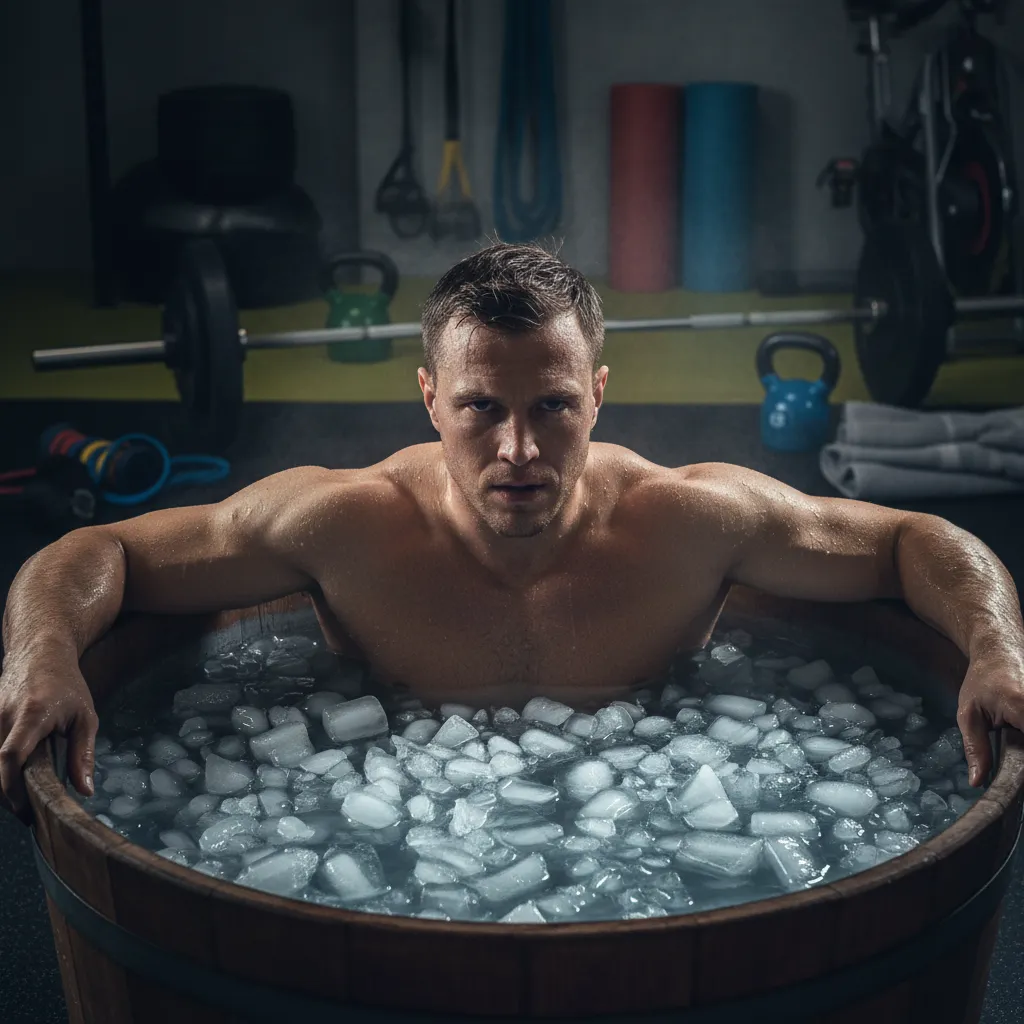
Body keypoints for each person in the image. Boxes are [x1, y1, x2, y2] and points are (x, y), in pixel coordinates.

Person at [1, 241, 1022, 825]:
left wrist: (994, 648)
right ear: (430, 399)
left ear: (599, 398)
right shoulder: (344, 524)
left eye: (555, 406)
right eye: (483, 407)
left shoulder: (689, 520)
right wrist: (45, 654)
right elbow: (103, 553)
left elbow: (913, 541)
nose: (521, 449)